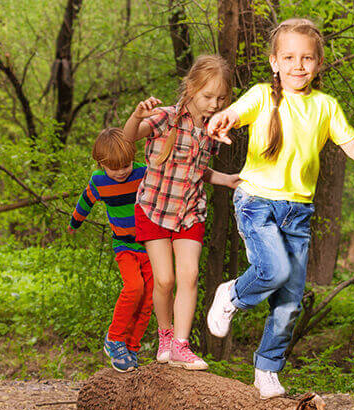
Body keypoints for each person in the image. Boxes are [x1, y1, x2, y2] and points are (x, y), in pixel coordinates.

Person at [205, 18, 354, 399]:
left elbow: (353, 148)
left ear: (319, 63)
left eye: (307, 58)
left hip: (298, 211)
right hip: (257, 200)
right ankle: (232, 294)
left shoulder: (325, 106)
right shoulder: (261, 96)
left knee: (290, 299)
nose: (298, 65)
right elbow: (235, 114)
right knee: (272, 270)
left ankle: (267, 370)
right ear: (274, 62)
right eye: (289, 57)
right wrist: (222, 119)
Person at [122, 55, 240, 371]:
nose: (215, 104)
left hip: (190, 211)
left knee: (189, 276)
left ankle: (181, 346)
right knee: (164, 280)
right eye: (208, 96)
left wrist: (225, 179)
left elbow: (198, 169)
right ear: (189, 89)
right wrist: (136, 116)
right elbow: (127, 139)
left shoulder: (213, 130)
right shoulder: (165, 118)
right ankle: (164, 334)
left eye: (221, 98)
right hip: (154, 209)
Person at [68, 128, 151, 372]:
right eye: (114, 168)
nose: (122, 171)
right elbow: (85, 201)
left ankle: (132, 347)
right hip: (124, 246)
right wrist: (75, 222)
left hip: (149, 246)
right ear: (101, 163)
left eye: (126, 165)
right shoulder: (99, 181)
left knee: (148, 299)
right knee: (134, 287)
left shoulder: (142, 173)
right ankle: (114, 339)